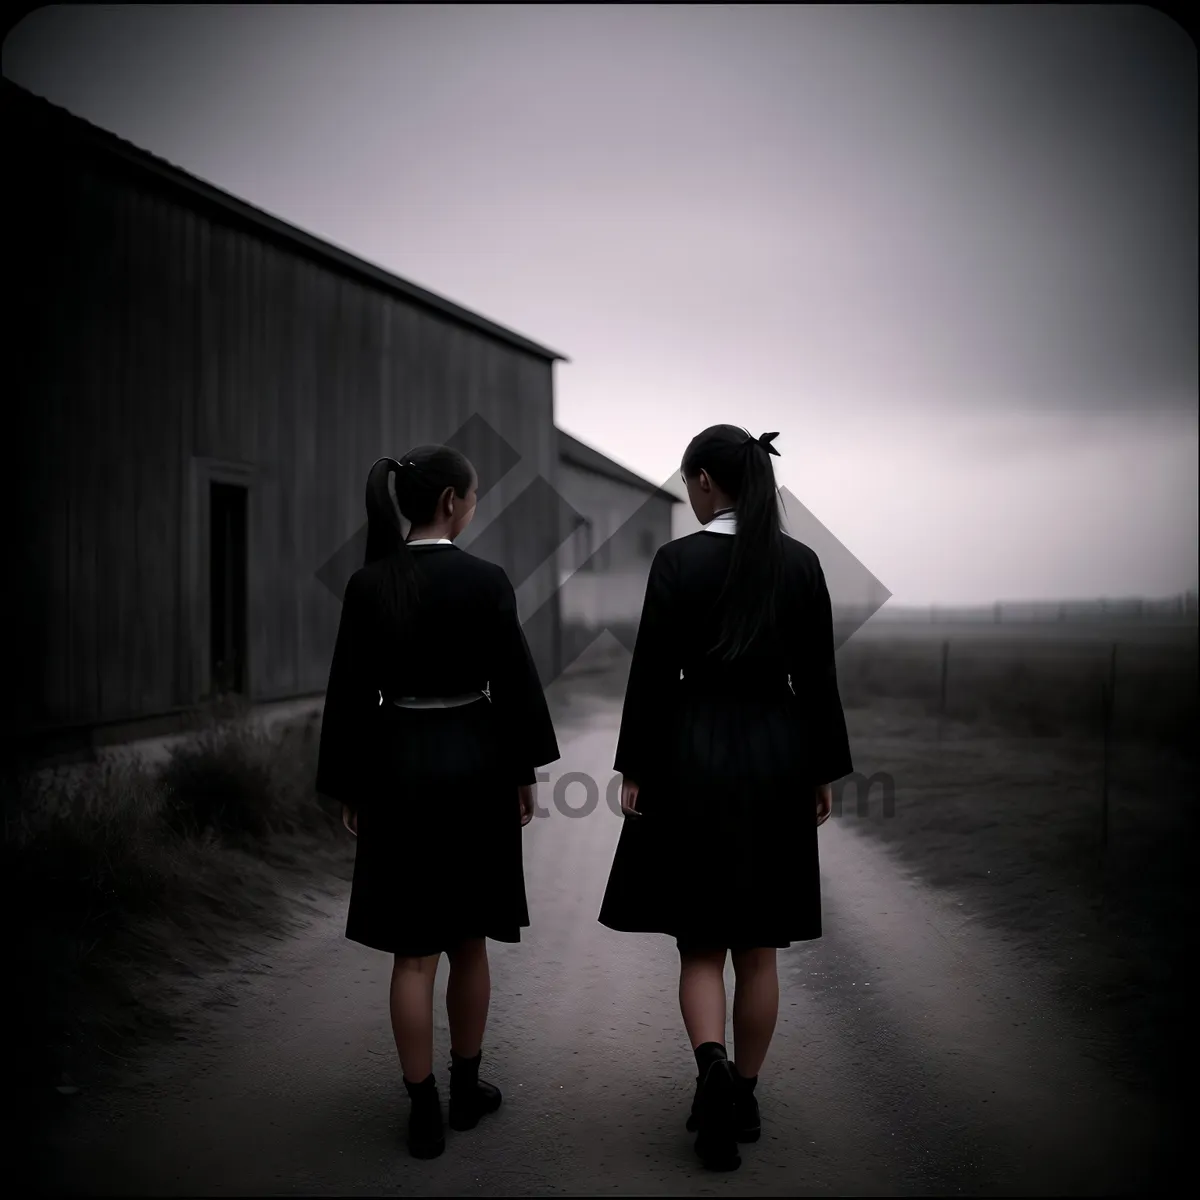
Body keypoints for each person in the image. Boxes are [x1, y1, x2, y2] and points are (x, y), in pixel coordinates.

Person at [598, 424, 852, 1172]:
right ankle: (742, 1092)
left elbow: (650, 674)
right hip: (777, 756)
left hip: (691, 755)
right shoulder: (800, 565)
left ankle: (709, 1067)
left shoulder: (677, 561)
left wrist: (635, 766)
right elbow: (819, 683)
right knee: (759, 945)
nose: (687, 493)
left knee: (701, 942)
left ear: (707, 482)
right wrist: (820, 772)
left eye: (687, 482)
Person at [316, 448, 560, 1160]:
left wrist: (354, 785)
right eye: (476, 495)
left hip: (396, 766)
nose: (475, 503)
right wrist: (522, 773)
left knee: (412, 953)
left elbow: (350, 692)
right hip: (476, 767)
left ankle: (421, 1106)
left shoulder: (369, 585)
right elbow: (514, 683)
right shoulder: (485, 581)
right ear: (452, 500)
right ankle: (465, 1089)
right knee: (470, 940)